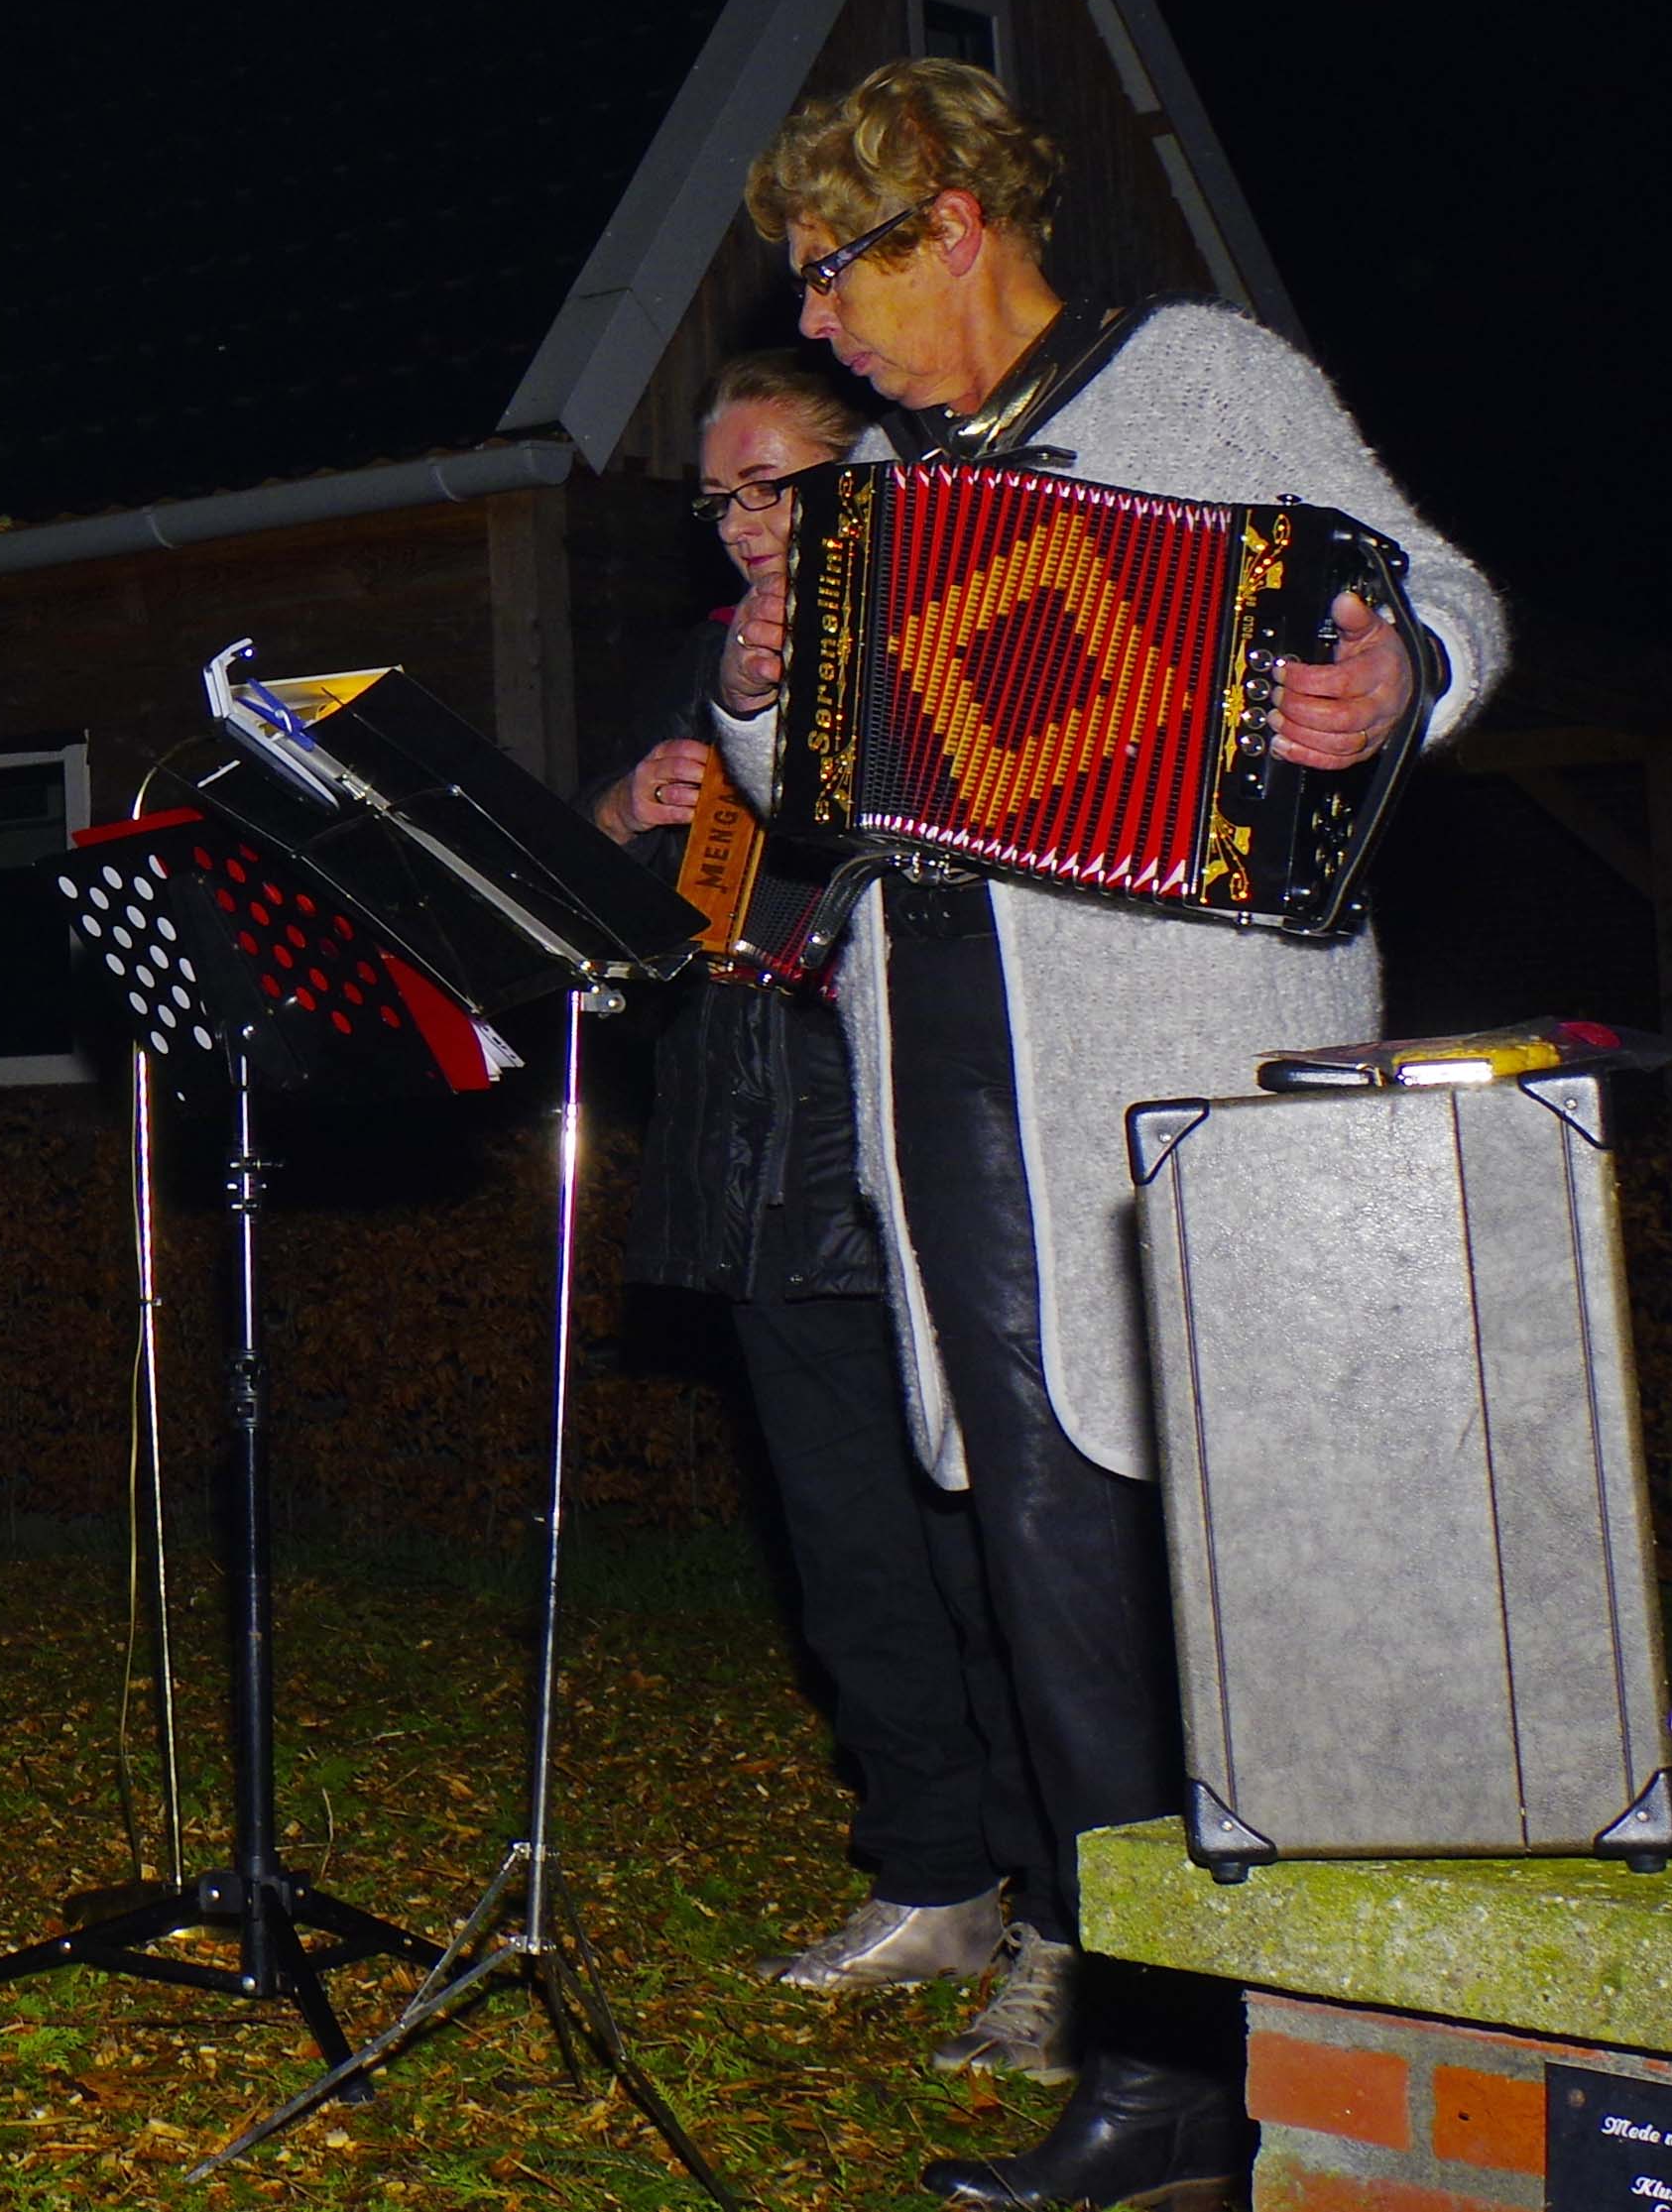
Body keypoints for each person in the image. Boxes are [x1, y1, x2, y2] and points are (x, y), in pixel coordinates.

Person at [706, 63, 1502, 2212]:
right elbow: (803, 786)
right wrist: (763, 677)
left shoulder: (1206, 385)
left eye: (838, 270)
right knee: (1039, 1551)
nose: (822, 322)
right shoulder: (875, 481)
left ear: (954, 222)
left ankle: (1339, 2029)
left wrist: (1390, 677)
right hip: (946, 1042)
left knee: (1234, 1557)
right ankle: (1157, 2074)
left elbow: (1442, 592)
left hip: (1184, 1047)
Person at [592, 344, 1062, 2076]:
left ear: (870, 480)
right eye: (717, 495)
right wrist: (619, 814)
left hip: (927, 1157)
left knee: (1000, 1563)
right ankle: (934, 1879)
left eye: (771, 482)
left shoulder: (962, 634)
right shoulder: (693, 661)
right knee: (848, 1559)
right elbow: (616, 915)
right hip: (754, 1160)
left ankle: (1077, 1927)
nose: (738, 523)